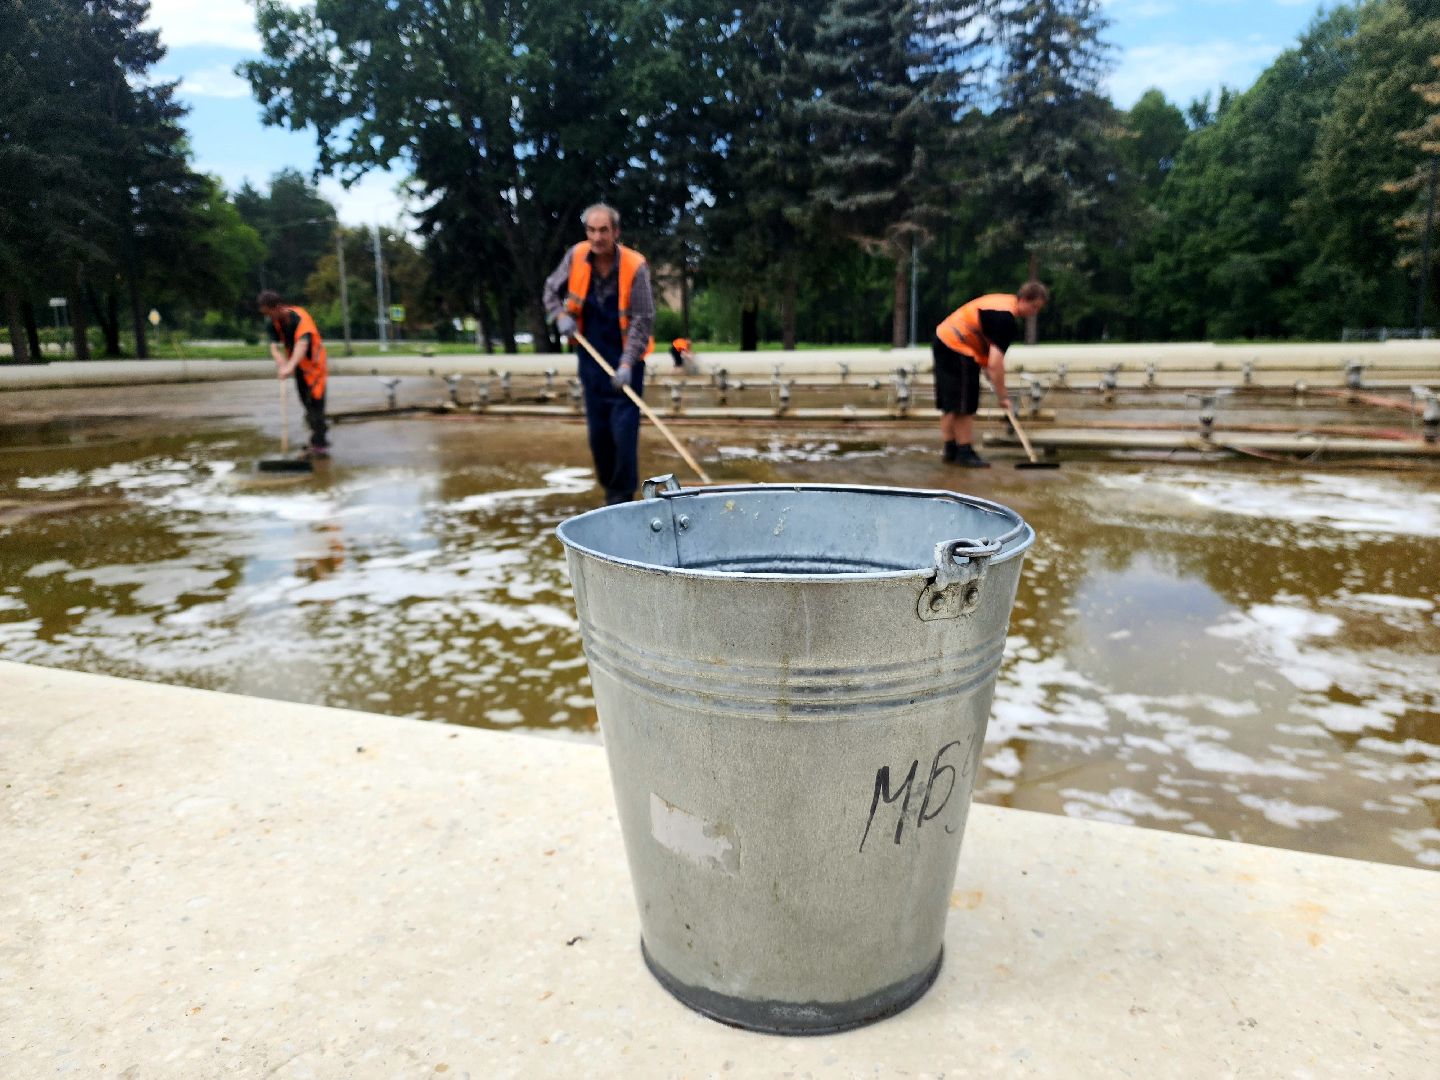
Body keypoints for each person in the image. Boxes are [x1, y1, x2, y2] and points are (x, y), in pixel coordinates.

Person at [543, 203, 656, 504]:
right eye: (591, 230)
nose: (597, 237)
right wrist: (560, 316)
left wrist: (627, 362)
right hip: (591, 362)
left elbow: (643, 319)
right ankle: (610, 493)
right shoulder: (576, 257)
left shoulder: (635, 266)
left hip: (625, 365)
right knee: (600, 437)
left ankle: (623, 499)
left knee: (623, 435)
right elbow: (550, 290)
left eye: (603, 230)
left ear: (616, 232)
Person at [931, 282, 1049, 468]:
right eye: (1034, 307)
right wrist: (1003, 397)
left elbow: (987, 350)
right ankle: (964, 452)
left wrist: (986, 367)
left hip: (944, 339)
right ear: (1025, 300)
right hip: (958, 346)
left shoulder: (1003, 303)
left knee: (950, 403)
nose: (1034, 313)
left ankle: (950, 449)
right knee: (964, 404)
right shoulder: (1006, 319)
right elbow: (996, 363)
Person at [258, 290, 329, 457]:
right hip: (298, 367)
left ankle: (319, 445)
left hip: (314, 367)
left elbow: (302, 345)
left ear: (278, 307)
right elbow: (274, 347)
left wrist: (289, 366)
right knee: (305, 402)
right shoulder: (273, 323)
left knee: (316, 404)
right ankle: (319, 432)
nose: (269, 317)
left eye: (270, 313)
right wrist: (281, 362)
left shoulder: (301, 318)